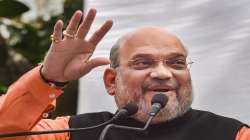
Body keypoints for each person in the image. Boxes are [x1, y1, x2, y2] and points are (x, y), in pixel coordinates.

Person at [0, 8, 249, 140]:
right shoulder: (72, 132)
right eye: (142, 63)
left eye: (177, 63)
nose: (163, 73)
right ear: (111, 81)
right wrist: (48, 78)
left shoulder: (233, 134)